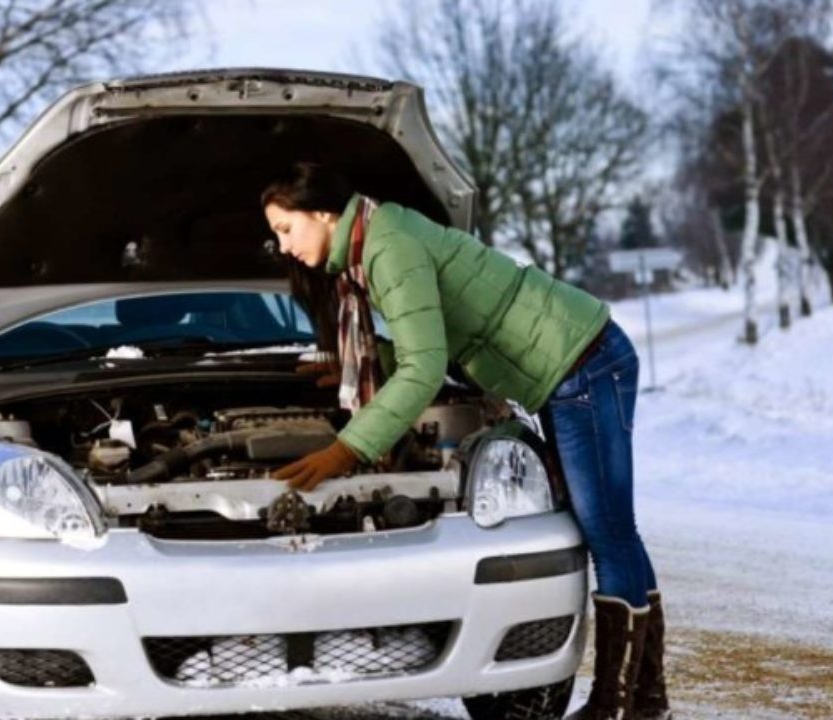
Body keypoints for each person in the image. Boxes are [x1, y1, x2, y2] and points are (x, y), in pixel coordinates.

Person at [261, 162, 671, 720]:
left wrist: (348, 448)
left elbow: (425, 368)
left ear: (324, 214)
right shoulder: (379, 238)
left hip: (583, 362)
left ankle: (616, 706)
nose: (282, 246)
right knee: (616, 532)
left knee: (607, 533)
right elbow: (431, 332)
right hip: (570, 365)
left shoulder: (388, 248)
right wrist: (364, 367)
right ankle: (647, 703)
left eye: (286, 229)